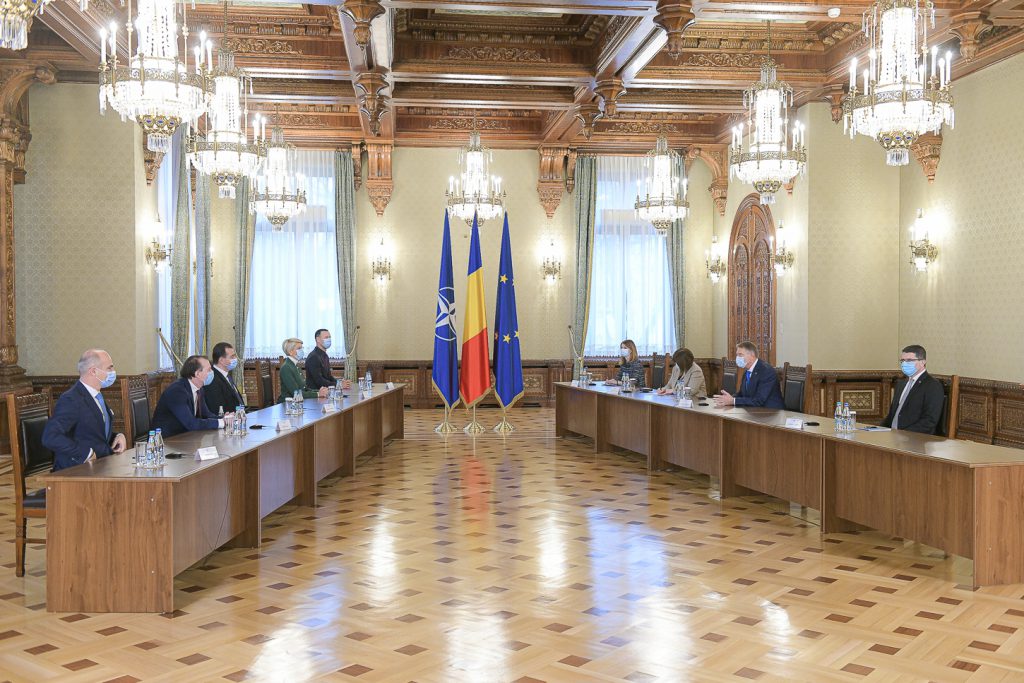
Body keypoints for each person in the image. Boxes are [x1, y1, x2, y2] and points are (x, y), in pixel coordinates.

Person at [43, 349, 127, 471]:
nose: (113, 372)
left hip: (101, 466)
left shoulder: (96, 395)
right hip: (76, 471)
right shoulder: (71, 399)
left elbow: (91, 432)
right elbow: (50, 437)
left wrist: (117, 436)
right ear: (93, 371)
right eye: (109, 368)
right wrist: (85, 454)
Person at [152, 355, 234, 438]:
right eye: (209, 370)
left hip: (186, 437)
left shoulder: (199, 389)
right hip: (166, 441)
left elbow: (207, 415)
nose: (212, 372)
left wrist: (224, 418)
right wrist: (221, 422)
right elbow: (191, 423)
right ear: (197, 373)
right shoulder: (177, 391)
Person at [880, 344, 945, 434]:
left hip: (916, 440)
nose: (904, 363)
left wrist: (903, 434)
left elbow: (929, 421)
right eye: (902, 360)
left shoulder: (933, 386)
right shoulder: (901, 383)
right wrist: (877, 429)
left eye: (909, 360)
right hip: (893, 437)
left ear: (923, 362)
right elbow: (892, 415)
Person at [712, 341, 784, 409]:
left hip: (770, 413)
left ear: (752, 356)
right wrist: (729, 398)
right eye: (737, 355)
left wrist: (733, 401)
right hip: (753, 411)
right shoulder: (748, 371)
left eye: (740, 355)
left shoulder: (766, 371)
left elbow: (759, 400)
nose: (737, 358)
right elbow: (741, 394)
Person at [280, 338, 328, 402]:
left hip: (299, 403)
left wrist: (320, 391)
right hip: (288, 405)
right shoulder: (286, 367)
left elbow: (305, 389)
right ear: (290, 352)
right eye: (299, 348)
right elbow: (297, 393)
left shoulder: (295, 365)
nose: (302, 350)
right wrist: (318, 394)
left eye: (302, 348)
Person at [204, 342, 245, 416]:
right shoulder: (212, 379)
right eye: (232, 357)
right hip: (227, 422)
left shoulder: (226, 375)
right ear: (221, 360)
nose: (235, 359)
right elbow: (217, 408)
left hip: (238, 418)